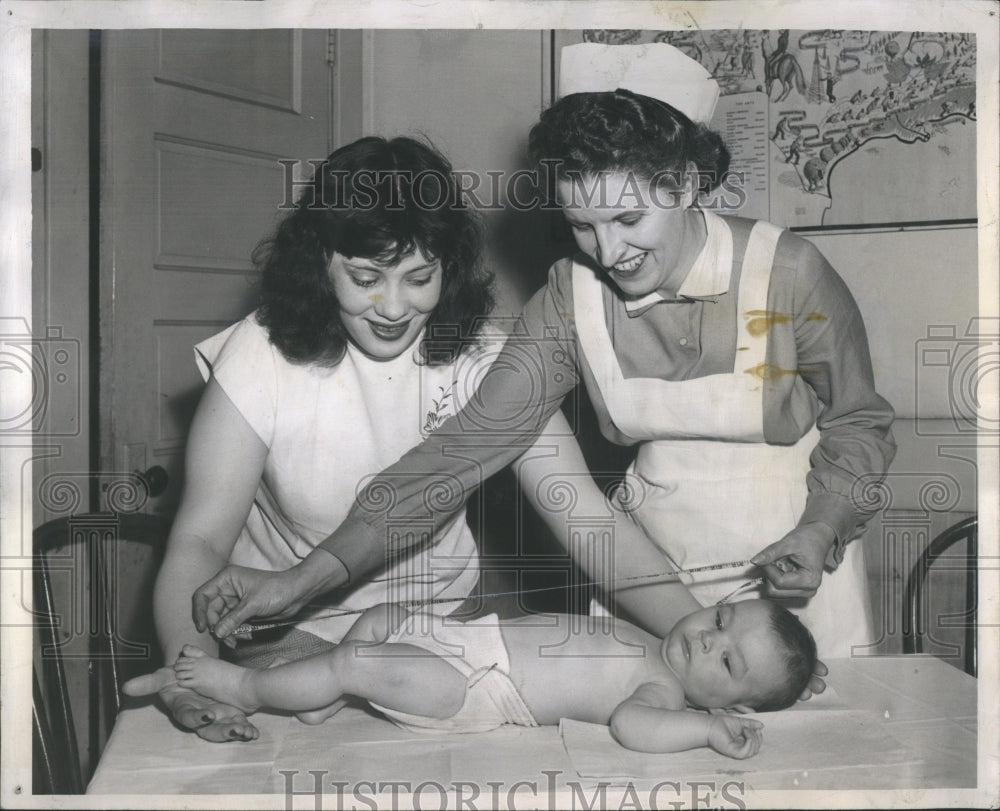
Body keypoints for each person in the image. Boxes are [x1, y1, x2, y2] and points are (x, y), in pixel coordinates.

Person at [193, 43, 894, 662]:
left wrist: (821, 527)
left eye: (627, 219)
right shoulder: (571, 293)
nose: (609, 253)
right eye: (581, 225)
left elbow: (860, 423)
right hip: (645, 562)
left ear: (684, 184)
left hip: (791, 556)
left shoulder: (790, 271)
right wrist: (305, 579)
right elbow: (461, 451)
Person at [125, 595, 816, 759]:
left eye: (727, 660)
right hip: (464, 639)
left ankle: (241, 685)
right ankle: (318, 704)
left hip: (470, 690)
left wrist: (704, 728)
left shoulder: (662, 694)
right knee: (377, 618)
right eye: (723, 616)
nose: (708, 635)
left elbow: (634, 727)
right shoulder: (653, 639)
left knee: (354, 658)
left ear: (734, 702)